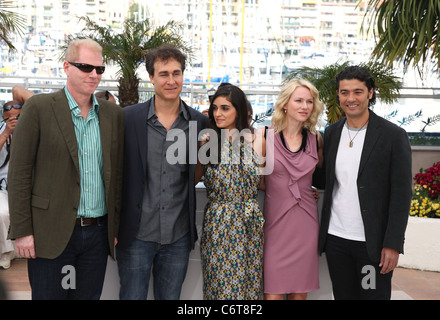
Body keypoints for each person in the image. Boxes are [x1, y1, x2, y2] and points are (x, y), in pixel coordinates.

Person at [7, 38, 124, 300]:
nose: (94, 74)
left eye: (99, 69)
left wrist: (113, 227)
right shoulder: (39, 108)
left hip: (96, 234)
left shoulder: (112, 114)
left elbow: (115, 175)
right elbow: (19, 174)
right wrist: (23, 231)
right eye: (85, 67)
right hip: (50, 232)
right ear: (67, 67)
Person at [116, 44, 208, 300]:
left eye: (176, 73)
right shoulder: (128, 118)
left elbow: (197, 174)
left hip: (178, 236)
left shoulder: (199, 123)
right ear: (152, 78)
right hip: (136, 235)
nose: (171, 80)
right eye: (164, 74)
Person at [318, 66, 412, 300]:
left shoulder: (392, 135)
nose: (351, 99)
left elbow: (401, 195)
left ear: (370, 93)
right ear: (338, 95)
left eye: (358, 92)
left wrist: (392, 243)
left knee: (371, 296)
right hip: (336, 240)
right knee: (343, 297)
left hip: (371, 245)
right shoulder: (332, 133)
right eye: (344, 92)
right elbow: (325, 180)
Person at [196, 84, 266, 300]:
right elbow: (194, 178)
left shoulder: (258, 139)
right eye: (215, 108)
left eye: (225, 108)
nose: (218, 113)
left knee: (248, 284)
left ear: (239, 110)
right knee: (218, 287)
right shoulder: (208, 140)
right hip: (218, 223)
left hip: (249, 223)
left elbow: (264, 183)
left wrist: (305, 189)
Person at [263, 78, 324, 300]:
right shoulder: (264, 137)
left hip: (306, 223)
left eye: (309, 101)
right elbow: (255, 179)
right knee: (273, 293)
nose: (305, 106)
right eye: (299, 100)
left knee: (299, 293)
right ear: (285, 104)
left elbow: (321, 177)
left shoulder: (316, 139)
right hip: (276, 223)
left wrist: (311, 189)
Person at [0, 100, 22, 269]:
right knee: (3, 213)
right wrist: (6, 132)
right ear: (3, 118)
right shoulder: (2, 131)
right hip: (4, 186)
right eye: (9, 119)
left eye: (18, 117)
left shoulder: (32, 129)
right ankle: (6, 252)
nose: (14, 121)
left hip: (26, 187)